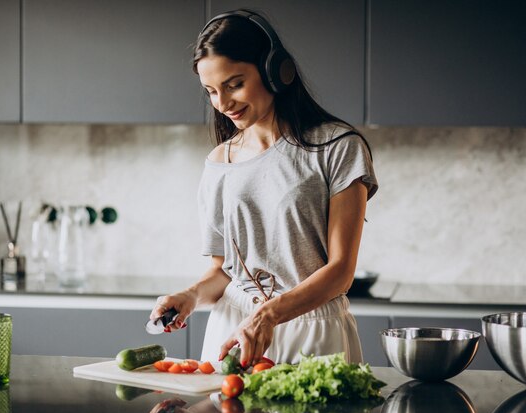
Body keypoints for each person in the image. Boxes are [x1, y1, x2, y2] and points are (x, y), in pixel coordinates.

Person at [150, 9, 378, 368]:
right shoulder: (220, 161)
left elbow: (340, 271)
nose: (222, 104)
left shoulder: (338, 147)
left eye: (234, 84)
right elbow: (224, 270)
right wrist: (191, 295)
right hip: (235, 328)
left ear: (275, 71)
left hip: (313, 330)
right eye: (211, 91)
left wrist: (269, 314)